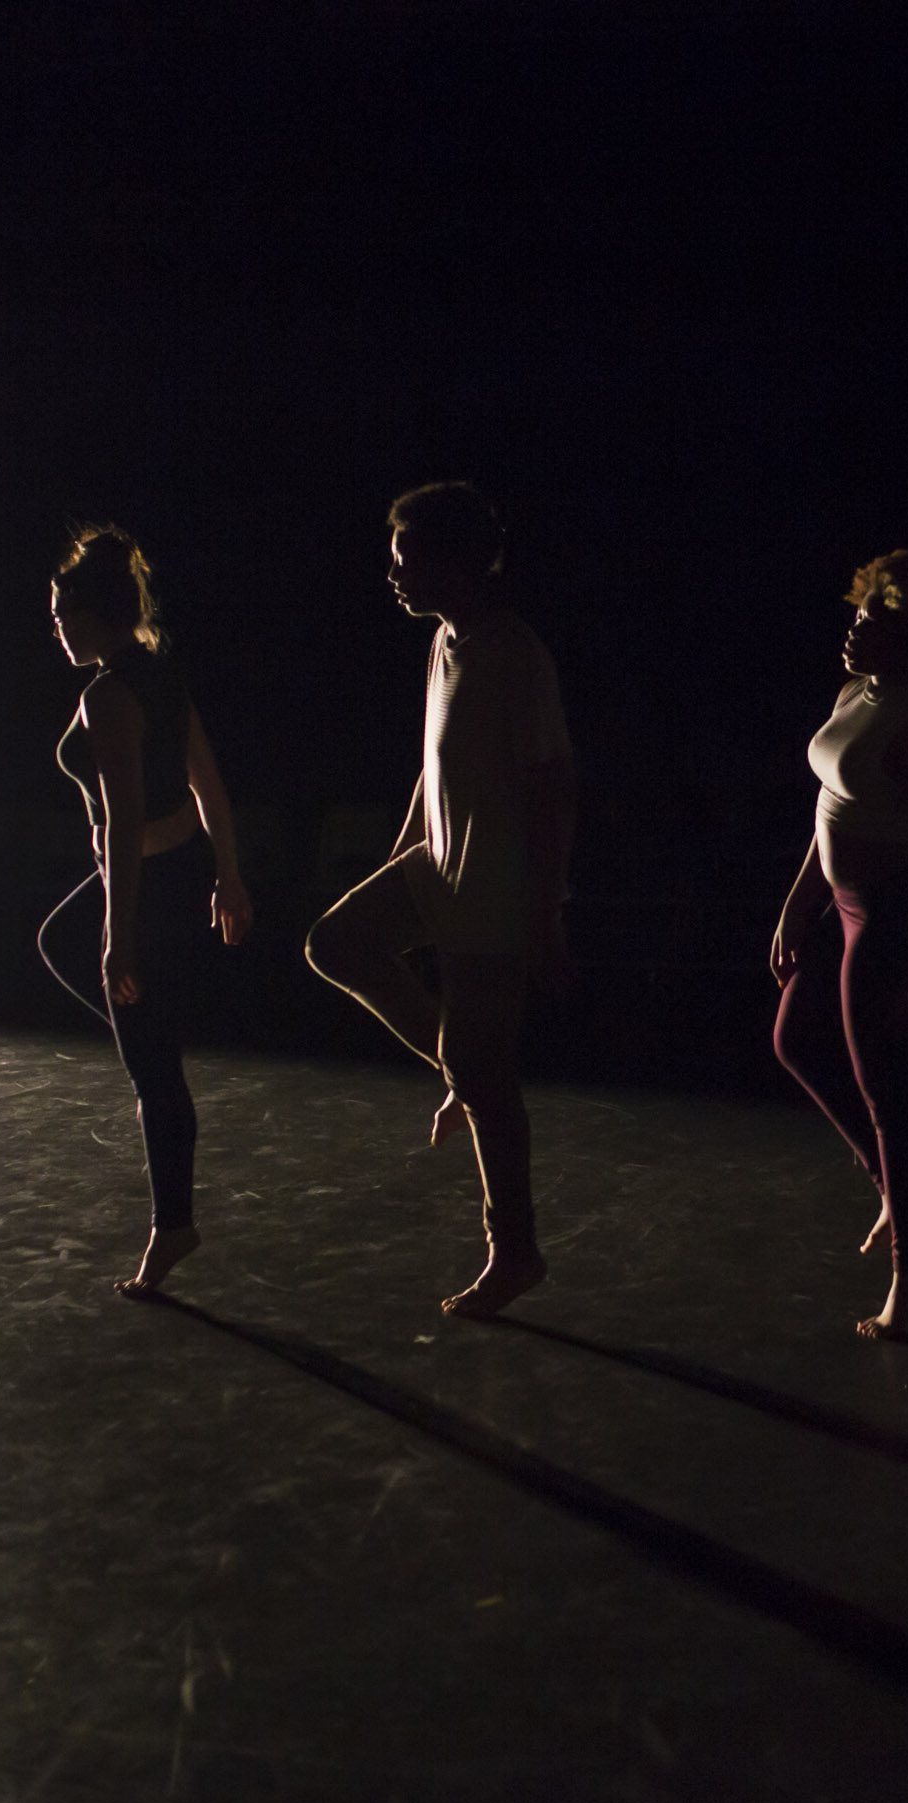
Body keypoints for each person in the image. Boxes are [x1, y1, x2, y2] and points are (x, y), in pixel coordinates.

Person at [305, 483, 577, 1319]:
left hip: (493, 893)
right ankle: (462, 1068)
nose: (393, 575)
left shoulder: (513, 654)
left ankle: (515, 1251)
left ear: (455, 562)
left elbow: (552, 786)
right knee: (335, 942)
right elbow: (434, 767)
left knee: (491, 1087)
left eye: (405, 560)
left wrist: (545, 912)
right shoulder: (443, 643)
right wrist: (402, 854)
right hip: (437, 868)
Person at [37, 526, 254, 1298]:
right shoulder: (156, 674)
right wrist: (227, 876)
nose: (55, 629)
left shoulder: (109, 695)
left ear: (91, 614)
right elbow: (208, 787)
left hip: (149, 883)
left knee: (152, 1068)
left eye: (61, 616)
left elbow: (127, 821)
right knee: (69, 950)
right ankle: (153, 1042)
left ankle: (172, 1226)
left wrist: (119, 936)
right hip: (172, 871)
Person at [770, 551, 908, 1338]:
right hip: (840, 904)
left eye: (873, 621)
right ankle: (890, 1188)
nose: (853, 630)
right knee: (794, 1040)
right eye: (856, 614)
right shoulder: (855, 693)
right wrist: (796, 904)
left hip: (887, 912)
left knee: (888, 1091)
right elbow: (830, 805)